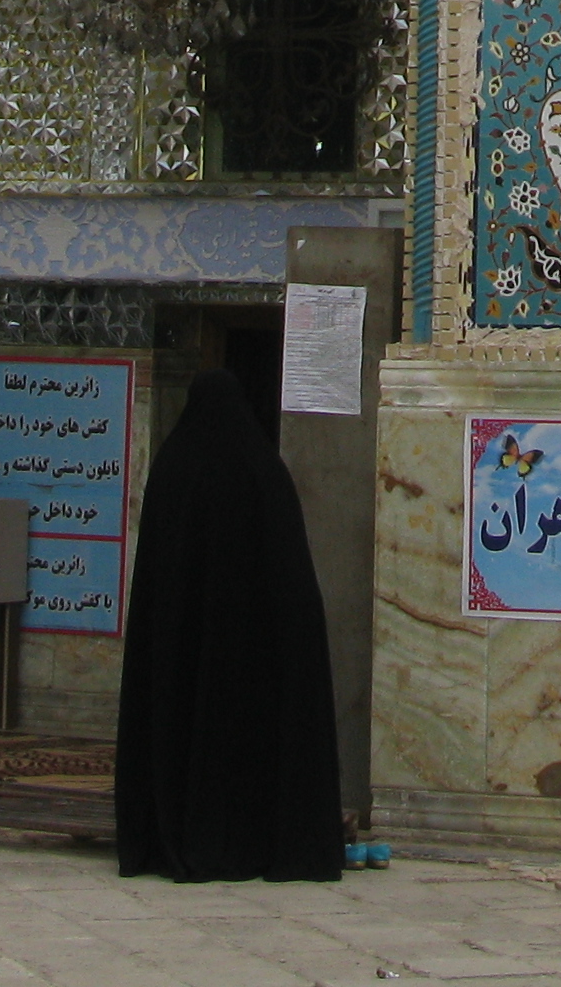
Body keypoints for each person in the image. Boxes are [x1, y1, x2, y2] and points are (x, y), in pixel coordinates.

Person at [113, 368, 345, 881]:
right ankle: (251, 840)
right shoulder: (263, 472)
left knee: (183, 718)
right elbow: (292, 591)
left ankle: (176, 831)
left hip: (182, 654)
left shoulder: (172, 469)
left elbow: (158, 582)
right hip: (253, 661)